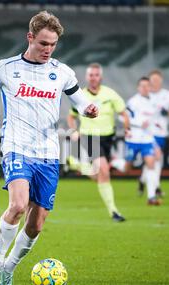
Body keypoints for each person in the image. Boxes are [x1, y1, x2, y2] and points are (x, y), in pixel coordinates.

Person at [0, 11, 98, 285]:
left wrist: (88, 107)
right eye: (42, 43)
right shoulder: (6, 68)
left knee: (36, 224)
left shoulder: (62, 72)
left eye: (52, 44)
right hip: (16, 148)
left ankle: (8, 271)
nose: (47, 49)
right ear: (30, 37)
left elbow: (80, 99)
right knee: (17, 205)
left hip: (49, 155)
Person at [66, 63, 129, 222]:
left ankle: (77, 165)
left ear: (100, 77)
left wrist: (127, 129)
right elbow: (71, 116)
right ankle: (114, 211)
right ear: (87, 77)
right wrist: (74, 130)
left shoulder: (110, 94)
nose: (93, 78)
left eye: (96, 75)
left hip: (108, 138)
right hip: (89, 137)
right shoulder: (80, 96)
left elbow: (123, 113)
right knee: (104, 170)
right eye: (91, 75)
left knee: (100, 175)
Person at [110, 77, 161, 205]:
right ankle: (115, 162)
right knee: (127, 169)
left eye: (146, 86)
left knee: (151, 163)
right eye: (142, 86)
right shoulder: (133, 102)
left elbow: (152, 120)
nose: (144, 88)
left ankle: (151, 197)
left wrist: (155, 126)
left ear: (150, 87)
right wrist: (138, 123)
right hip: (133, 139)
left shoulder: (153, 102)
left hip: (147, 139)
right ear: (138, 88)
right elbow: (123, 118)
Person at [138, 70, 169, 198]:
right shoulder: (145, 95)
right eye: (152, 80)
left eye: (157, 80)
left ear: (161, 81)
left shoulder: (167, 95)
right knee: (157, 158)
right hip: (147, 133)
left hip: (161, 133)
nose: (154, 82)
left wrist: (167, 113)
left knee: (153, 161)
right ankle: (155, 189)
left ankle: (143, 181)